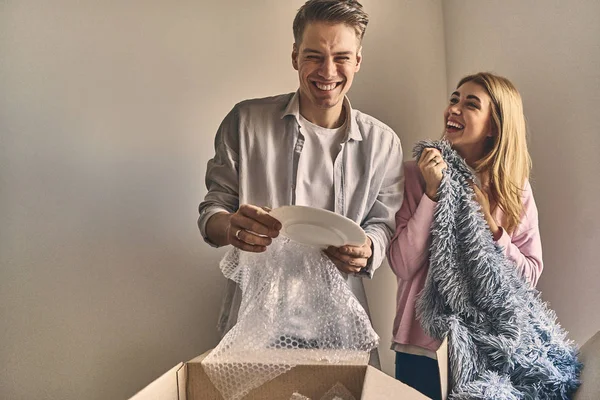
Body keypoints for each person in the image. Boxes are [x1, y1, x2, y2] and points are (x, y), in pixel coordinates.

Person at [197, 0, 404, 367]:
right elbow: (212, 211)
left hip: (344, 328)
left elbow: (383, 224)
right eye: (314, 56)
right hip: (254, 324)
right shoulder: (245, 122)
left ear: (358, 60)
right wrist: (233, 227)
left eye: (341, 56)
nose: (328, 71)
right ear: (295, 56)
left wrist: (368, 248)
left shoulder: (383, 143)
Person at [387, 72, 543, 399]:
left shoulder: (515, 189)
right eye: (454, 99)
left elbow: (527, 278)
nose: (454, 108)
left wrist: (491, 224)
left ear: (494, 127)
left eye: (471, 104)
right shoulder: (415, 174)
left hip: (487, 351)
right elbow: (402, 265)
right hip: (421, 347)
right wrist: (431, 194)